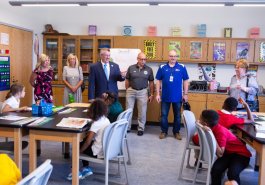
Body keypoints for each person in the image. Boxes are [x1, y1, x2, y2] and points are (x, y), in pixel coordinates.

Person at [199, 109, 251, 185]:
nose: (198, 120)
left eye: (200, 119)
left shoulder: (220, 131)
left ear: (205, 123)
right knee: (215, 170)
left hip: (241, 155)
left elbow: (220, 153)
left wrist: (212, 137)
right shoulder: (210, 128)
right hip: (228, 154)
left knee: (232, 173)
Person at [67, 99, 110, 180]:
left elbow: (87, 142)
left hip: (97, 152)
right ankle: (86, 168)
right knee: (82, 142)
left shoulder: (96, 124)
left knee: (77, 146)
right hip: (105, 148)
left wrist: (79, 151)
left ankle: (74, 172)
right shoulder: (105, 119)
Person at [155, 50, 189, 140]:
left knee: (177, 115)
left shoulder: (182, 67)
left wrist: (185, 94)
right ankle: (164, 131)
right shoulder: (162, 67)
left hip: (178, 97)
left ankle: (176, 132)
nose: (173, 58)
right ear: (168, 56)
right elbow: (158, 81)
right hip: (165, 96)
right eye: (171, 56)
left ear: (177, 57)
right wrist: (158, 94)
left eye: (174, 56)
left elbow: (185, 81)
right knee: (164, 115)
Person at [125, 52, 154, 136]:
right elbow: (127, 80)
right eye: (141, 59)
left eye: (145, 59)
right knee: (128, 110)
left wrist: (151, 94)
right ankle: (127, 128)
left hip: (143, 92)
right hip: (131, 91)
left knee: (142, 111)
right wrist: (128, 89)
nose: (143, 61)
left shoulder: (149, 69)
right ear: (137, 59)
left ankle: (141, 128)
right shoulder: (131, 68)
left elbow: (151, 82)